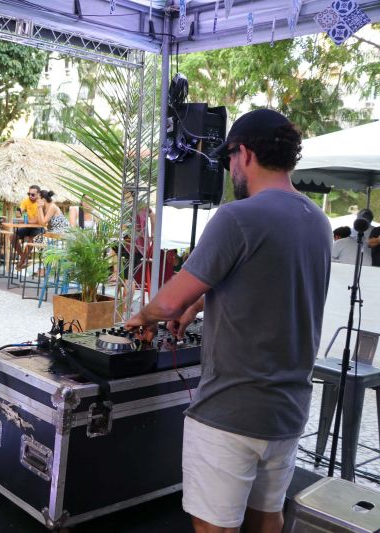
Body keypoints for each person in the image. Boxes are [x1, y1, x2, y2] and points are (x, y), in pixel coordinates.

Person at [124, 109, 331, 533]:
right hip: (287, 410)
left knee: (215, 527)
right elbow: (268, 284)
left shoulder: (237, 218)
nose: (229, 169)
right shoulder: (318, 222)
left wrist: (141, 316)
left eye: (229, 159)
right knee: (267, 518)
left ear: (246, 154)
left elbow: (167, 302)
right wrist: (198, 306)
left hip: (229, 412)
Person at [14, 185, 43, 269]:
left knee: (30, 241)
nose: (30, 196)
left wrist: (23, 221)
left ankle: (22, 260)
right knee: (12, 236)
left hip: (40, 227)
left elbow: (37, 221)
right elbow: (19, 212)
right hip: (29, 226)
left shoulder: (41, 203)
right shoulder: (26, 201)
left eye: (33, 194)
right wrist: (19, 212)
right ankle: (24, 258)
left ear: (38, 194)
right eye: (29, 194)